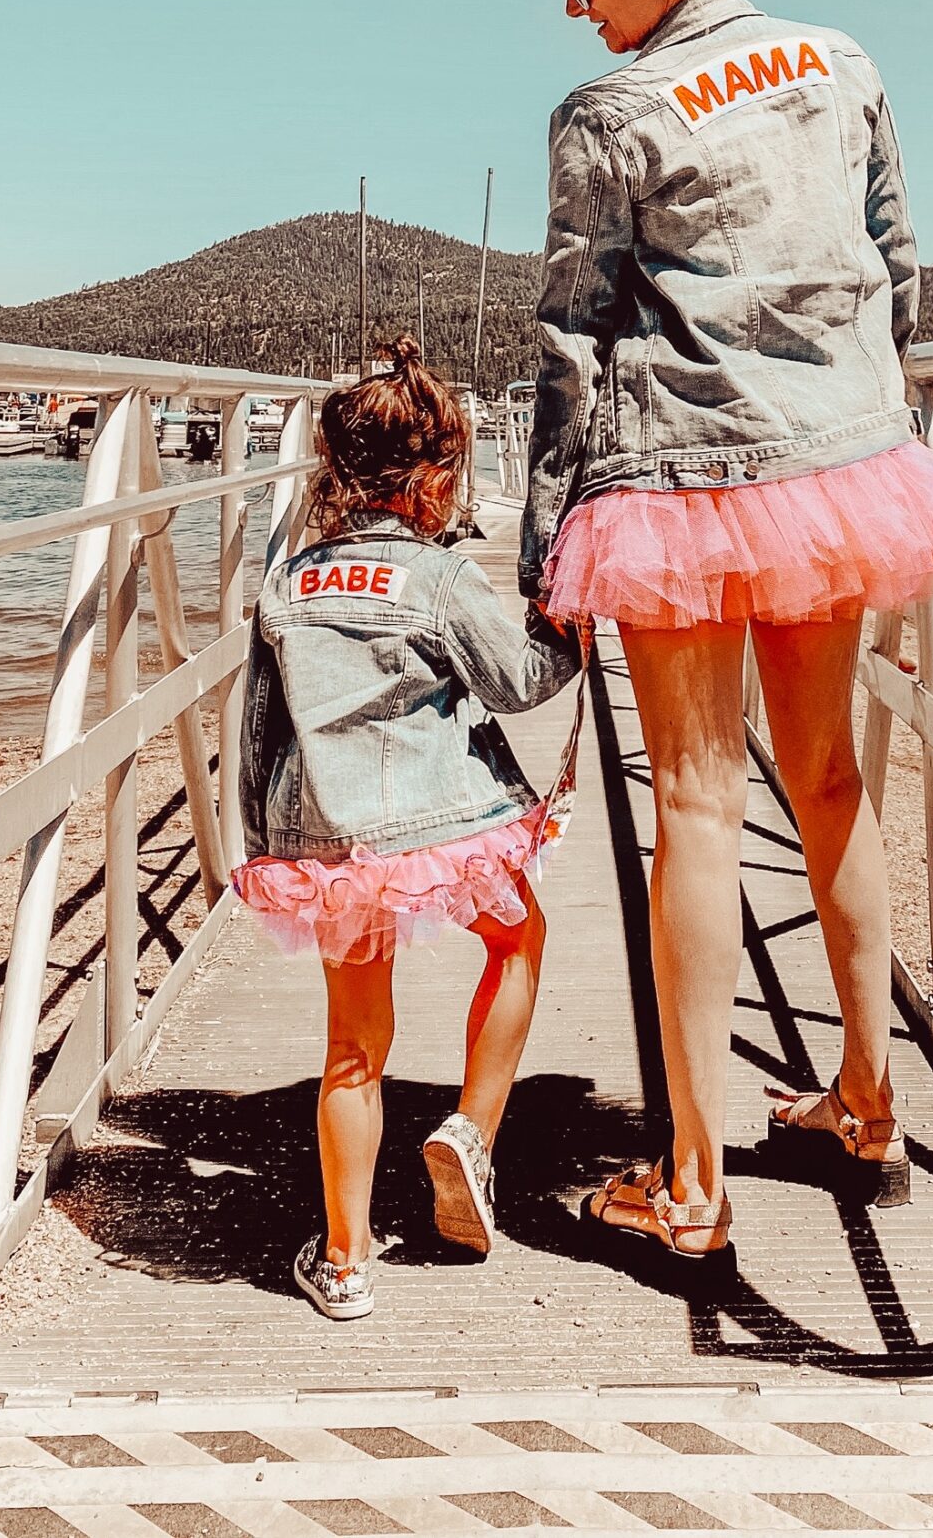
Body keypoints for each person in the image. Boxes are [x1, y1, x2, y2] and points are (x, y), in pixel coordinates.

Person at [523, 0, 933, 1264]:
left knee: (700, 808)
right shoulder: (843, 60)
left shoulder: (609, 105)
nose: (575, 5)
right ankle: (866, 1100)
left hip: (687, 480)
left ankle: (694, 1179)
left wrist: (543, 543)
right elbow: (899, 266)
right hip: (842, 464)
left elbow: (576, 340)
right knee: (829, 777)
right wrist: (860, 410)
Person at [234, 339, 582, 1320]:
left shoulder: (287, 582)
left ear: (333, 475)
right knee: (517, 940)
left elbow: (260, 730)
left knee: (354, 1045)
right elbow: (517, 681)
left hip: (326, 840)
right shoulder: (433, 577)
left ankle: (343, 1263)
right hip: (437, 824)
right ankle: (470, 1129)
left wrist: (271, 843)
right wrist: (568, 623)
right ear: (433, 480)